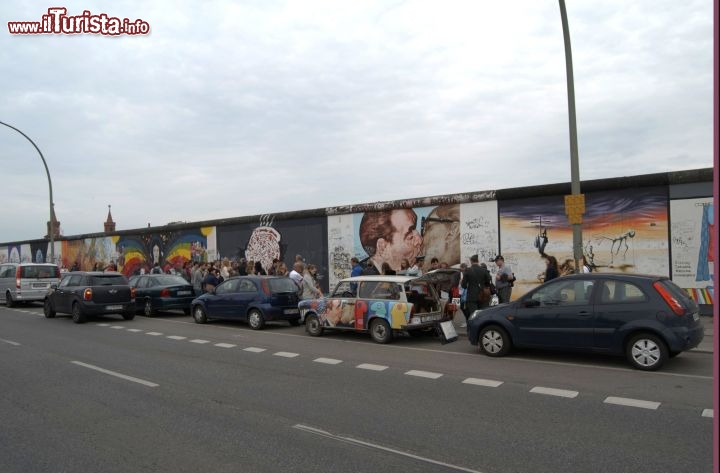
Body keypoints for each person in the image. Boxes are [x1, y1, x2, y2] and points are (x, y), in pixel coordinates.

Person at [359, 208, 423, 273]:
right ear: (382, 247)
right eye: (410, 237)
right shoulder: (369, 278)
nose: (420, 240)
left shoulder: (389, 274)